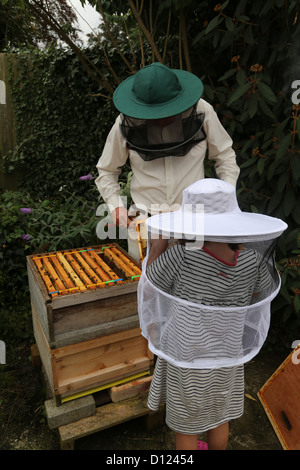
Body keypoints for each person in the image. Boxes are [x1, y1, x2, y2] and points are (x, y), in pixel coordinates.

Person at [137, 178, 287, 450]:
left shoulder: (181, 256)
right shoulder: (252, 260)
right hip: (228, 350)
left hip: (186, 352)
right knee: (219, 416)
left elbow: (151, 287)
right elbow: (261, 293)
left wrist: (157, 249)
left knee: (187, 425)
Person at [95, 62, 240, 262]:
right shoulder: (124, 122)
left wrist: (226, 199)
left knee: (192, 288)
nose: (161, 119)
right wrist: (116, 206)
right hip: (145, 223)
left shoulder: (203, 111)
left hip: (193, 222)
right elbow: (107, 171)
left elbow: (225, 157)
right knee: (144, 288)